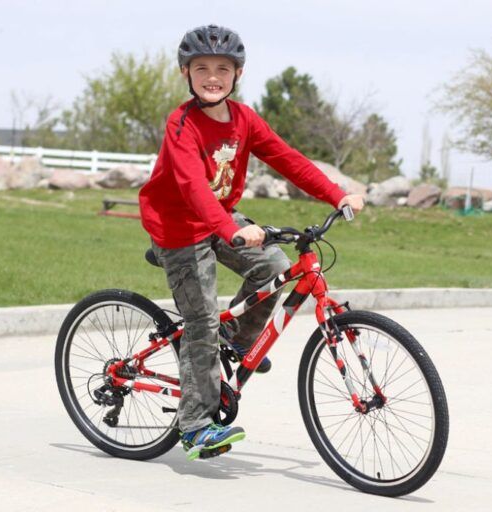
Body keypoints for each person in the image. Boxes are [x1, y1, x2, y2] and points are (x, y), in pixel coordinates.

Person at [139, 24, 364, 460]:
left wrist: (337, 194)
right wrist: (231, 230)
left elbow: (290, 161)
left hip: (221, 220)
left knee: (276, 267)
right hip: (179, 227)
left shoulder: (244, 119)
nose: (212, 76)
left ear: (237, 74)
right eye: (201, 67)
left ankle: (238, 341)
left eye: (222, 68)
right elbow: (191, 187)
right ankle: (195, 425)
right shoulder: (181, 123)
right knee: (201, 321)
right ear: (186, 72)